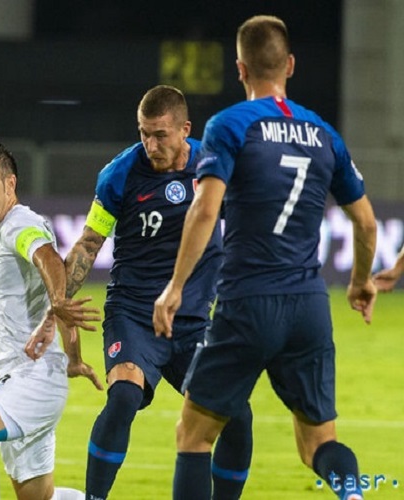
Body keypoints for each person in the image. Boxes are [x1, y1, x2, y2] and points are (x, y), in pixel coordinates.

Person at [153, 16, 377, 500]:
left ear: (240, 69)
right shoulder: (325, 134)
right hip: (309, 306)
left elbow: (205, 209)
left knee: (194, 435)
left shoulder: (230, 125)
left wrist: (176, 287)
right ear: (290, 65)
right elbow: (366, 224)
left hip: (248, 302)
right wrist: (362, 281)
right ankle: (353, 494)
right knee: (319, 444)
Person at [28, 85, 253, 500]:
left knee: (237, 414)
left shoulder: (214, 165)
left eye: (160, 135)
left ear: (185, 129)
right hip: (133, 315)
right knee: (124, 398)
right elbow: (88, 244)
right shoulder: (120, 174)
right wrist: (52, 312)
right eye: (144, 134)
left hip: (192, 320)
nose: (150, 145)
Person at [0, 142, 103, 500]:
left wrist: (59, 301)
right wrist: (74, 358)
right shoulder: (14, 226)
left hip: (31, 381)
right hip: (34, 378)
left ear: (10, 184)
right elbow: (55, 282)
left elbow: (48, 258)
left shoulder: (19, 223)